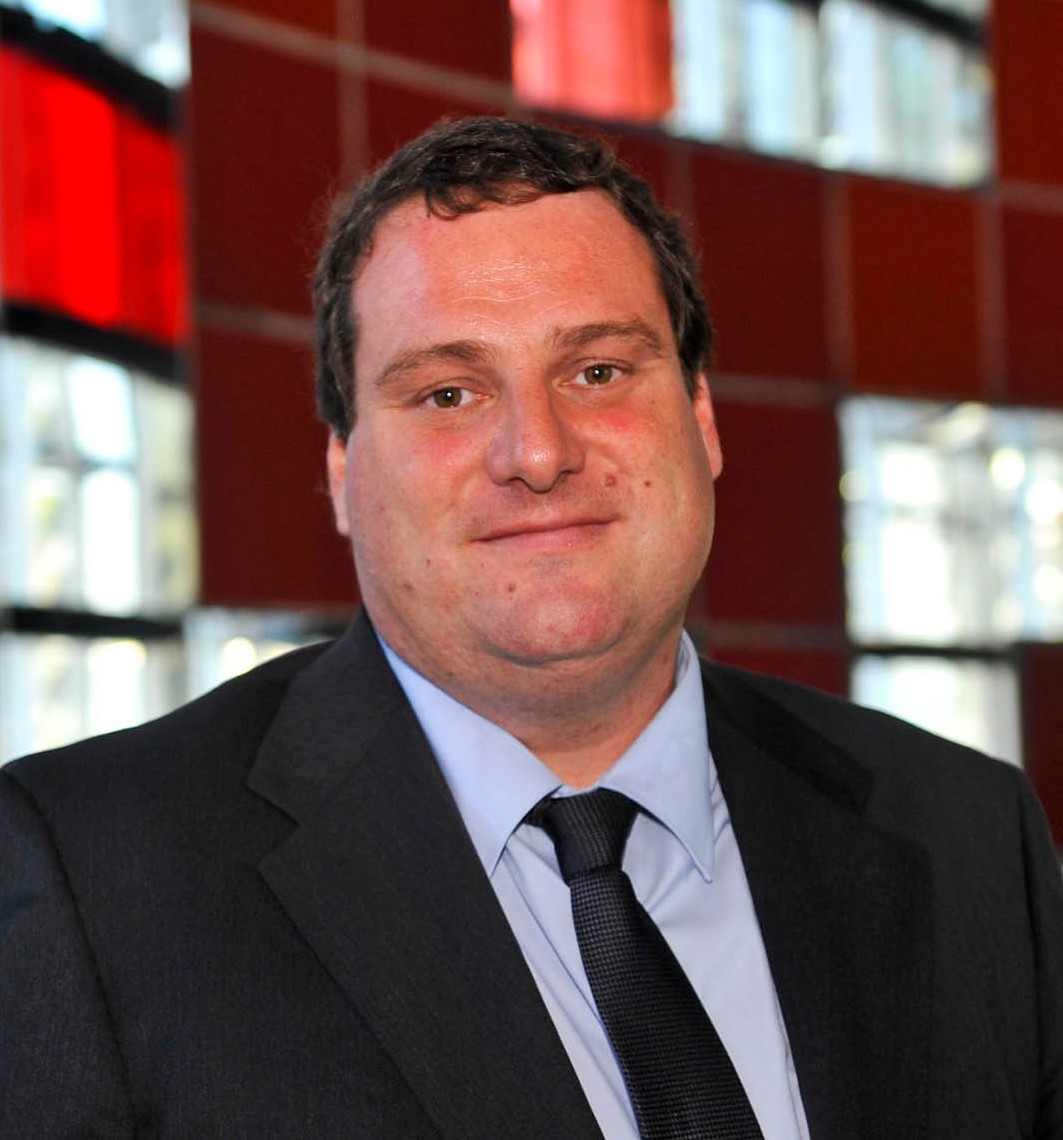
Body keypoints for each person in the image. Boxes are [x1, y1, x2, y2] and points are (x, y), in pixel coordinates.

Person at [1, 116, 1060, 1140]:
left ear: (700, 421)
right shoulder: (93, 877)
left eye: (597, 371)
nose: (539, 452)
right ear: (342, 471)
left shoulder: (969, 835)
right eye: (448, 393)